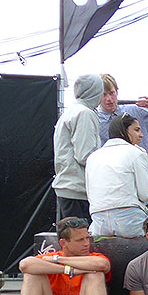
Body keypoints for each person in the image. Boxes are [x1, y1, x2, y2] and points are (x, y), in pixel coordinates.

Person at [96, 74, 148, 196]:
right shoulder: (94, 120)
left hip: (145, 186)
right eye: (104, 95)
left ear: (117, 92)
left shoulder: (135, 111)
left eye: (112, 93)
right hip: (116, 188)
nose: (109, 99)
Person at [85, 114, 148, 238]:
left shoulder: (93, 157)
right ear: (123, 131)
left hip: (98, 221)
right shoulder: (137, 153)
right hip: (130, 218)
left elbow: (90, 194)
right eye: (136, 130)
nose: (141, 135)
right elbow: (146, 194)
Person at [51, 73, 104, 221]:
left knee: (72, 240)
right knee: (81, 240)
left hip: (68, 188)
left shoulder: (72, 111)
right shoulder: (84, 114)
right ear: (95, 92)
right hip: (77, 189)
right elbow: (85, 155)